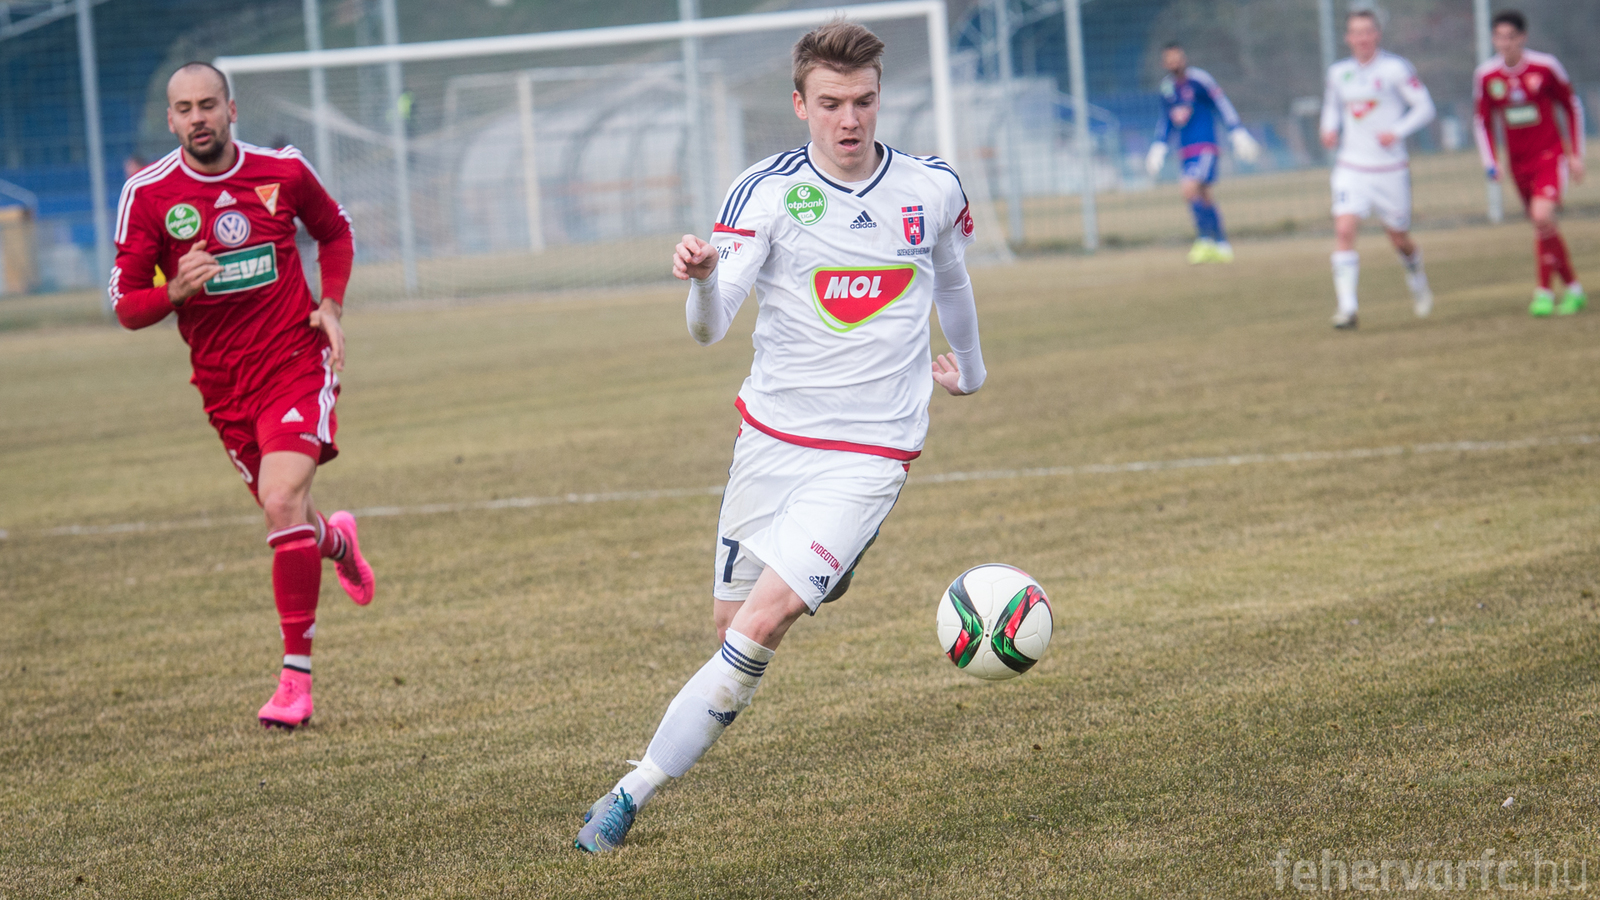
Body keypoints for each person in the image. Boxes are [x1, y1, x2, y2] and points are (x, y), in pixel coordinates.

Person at [573, 20, 987, 853]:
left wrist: (970, 372)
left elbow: (952, 276)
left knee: (762, 624)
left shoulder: (932, 188)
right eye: (830, 103)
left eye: (863, 101)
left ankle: (628, 793)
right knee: (729, 628)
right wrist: (700, 282)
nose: (849, 119)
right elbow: (710, 328)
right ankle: (824, 567)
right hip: (771, 440)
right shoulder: (763, 193)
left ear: (880, 97)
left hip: (873, 448)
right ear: (800, 105)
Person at [109, 62, 375, 729]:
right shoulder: (148, 194)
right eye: (184, 109)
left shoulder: (282, 171)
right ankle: (337, 542)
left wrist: (331, 305)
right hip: (223, 387)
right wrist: (174, 290)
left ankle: (295, 684)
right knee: (291, 516)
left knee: (281, 501)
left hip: (294, 362)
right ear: (170, 120)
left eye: (208, 104)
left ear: (231, 109)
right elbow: (127, 304)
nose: (197, 118)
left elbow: (335, 230)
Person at [1319, 9, 1436, 329]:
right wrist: (1328, 129)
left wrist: (1396, 132)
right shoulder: (1338, 73)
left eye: (1367, 32)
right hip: (1351, 166)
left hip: (1389, 169)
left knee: (1399, 239)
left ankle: (1416, 276)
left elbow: (1424, 107)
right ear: (1348, 38)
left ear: (1377, 34)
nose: (1362, 38)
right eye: (1356, 33)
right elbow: (1331, 108)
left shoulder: (1395, 69)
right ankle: (1347, 309)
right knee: (1344, 229)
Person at [1473, 9, 1586, 317]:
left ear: (1522, 37)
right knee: (1542, 226)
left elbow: (1571, 106)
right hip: (1518, 164)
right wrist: (1491, 162)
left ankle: (1543, 292)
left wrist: (1575, 154)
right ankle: (1574, 289)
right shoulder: (1487, 76)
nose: (1505, 43)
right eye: (1499, 37)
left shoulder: (1545, 67)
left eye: (1511, 37)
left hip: (1550, 156)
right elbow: (1482, 121)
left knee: (1541, 215)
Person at [1145, 42, 1260, 264]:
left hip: (1205, 146)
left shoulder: (1199, 80)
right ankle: (1222, 244)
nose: (1175, 63)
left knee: (1189, 188)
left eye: (1177, 58)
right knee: (1204, 196)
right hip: (1185, 149)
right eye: (1170, 60)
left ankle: (1205, 240)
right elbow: (1165, 120)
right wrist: (1158, 146)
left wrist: (1236, 130)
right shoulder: (1167, 88)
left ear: (1184, 58)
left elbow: (1221, 103)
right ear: (1164, 63)